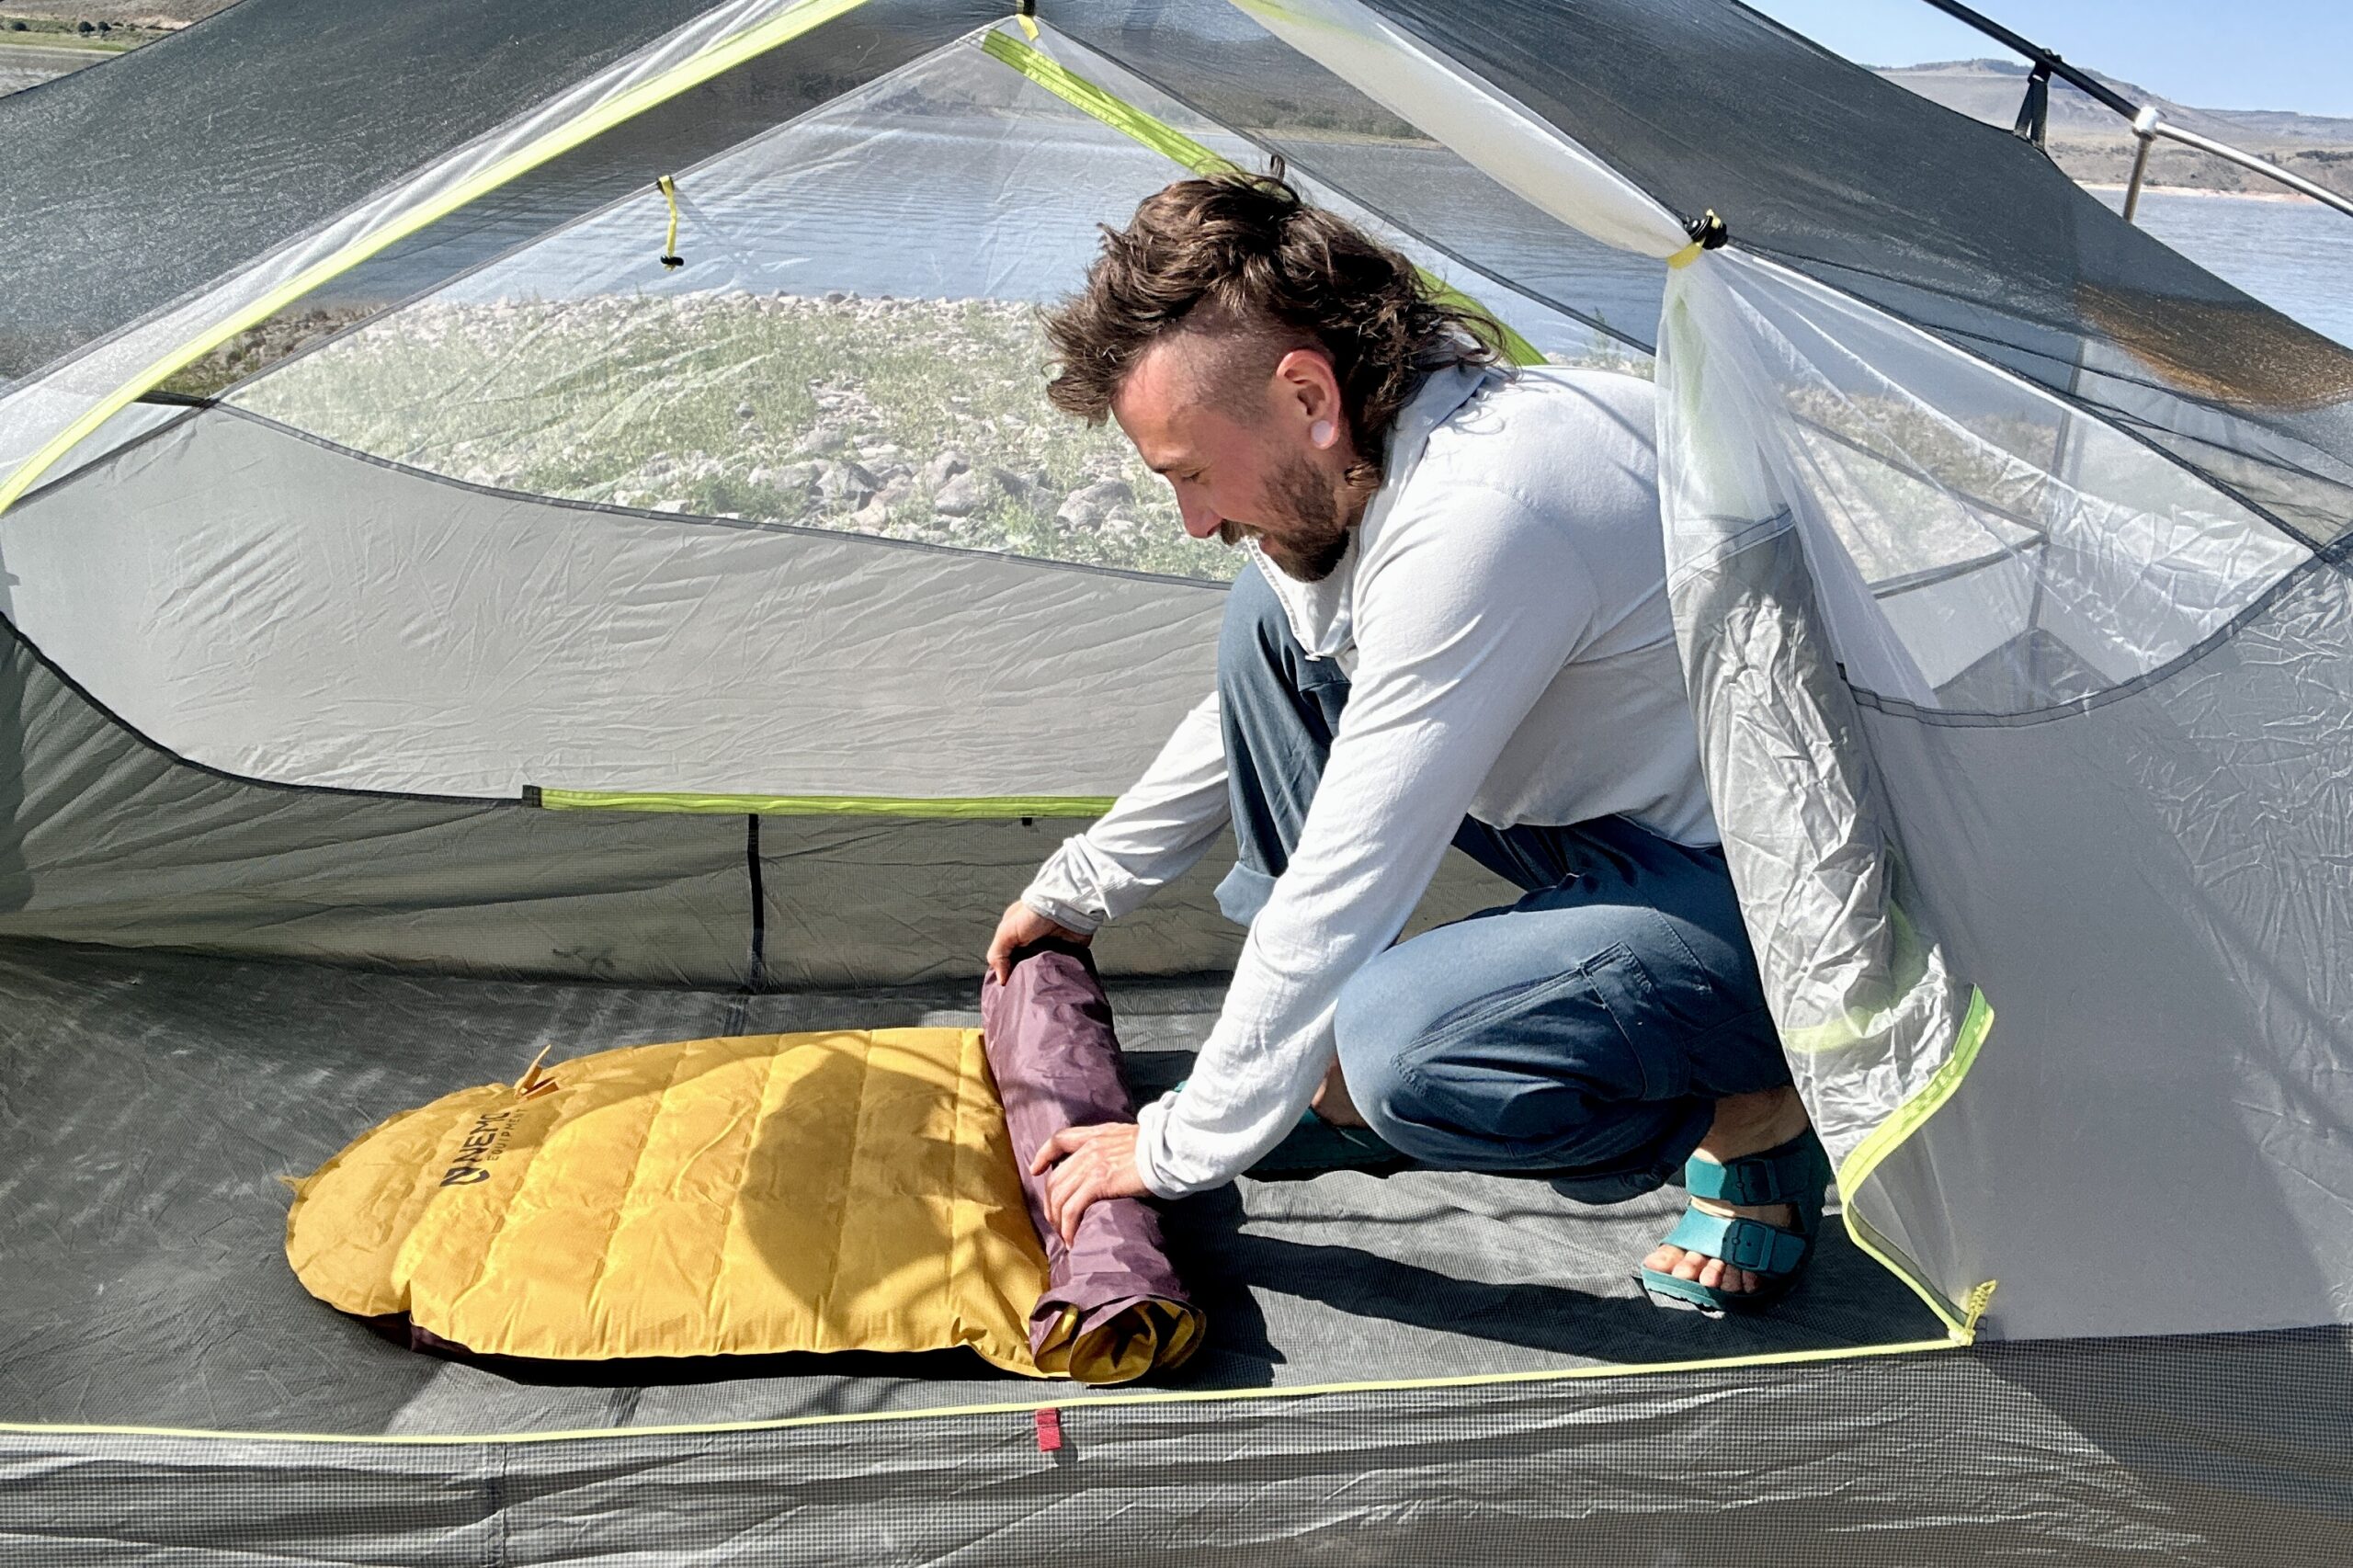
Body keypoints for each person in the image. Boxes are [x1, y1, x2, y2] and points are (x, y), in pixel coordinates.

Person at [985, 167, 1828, 1314]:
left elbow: (1348, 874)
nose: (1192, 517)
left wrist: (1180, 1146)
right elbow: (1281, 677)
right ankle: (1303, 1062)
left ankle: (1754, 1115)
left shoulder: (1488, 513)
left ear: (1307, 395)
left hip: (1790, 909)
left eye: (1190, 472)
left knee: (1405, 1048)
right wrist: (1079, 887)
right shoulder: (1378, 454)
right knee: (1263, 611)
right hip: (1631, 814)